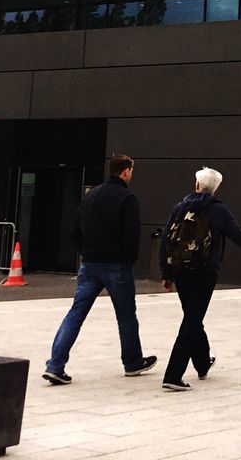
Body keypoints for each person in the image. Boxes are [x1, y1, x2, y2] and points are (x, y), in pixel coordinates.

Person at [42, 154, 157, 385]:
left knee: (76, 313)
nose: (131, 175)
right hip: (116, 265)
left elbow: (75, 230)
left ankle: (55, 365)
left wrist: (87, 252)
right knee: (125, 316)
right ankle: (132, 362)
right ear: (125, 172)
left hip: (89, 264)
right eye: (131, 170)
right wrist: (127, 260)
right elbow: (131, 236)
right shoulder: (127, 198)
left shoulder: (91, 195)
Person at [159, 166, 241, 391]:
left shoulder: (179, 207)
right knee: (191, 321)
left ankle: (202, 363)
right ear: (215, 190)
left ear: (196, 185)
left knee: (192, 316)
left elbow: (166, 241)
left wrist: (167, 274)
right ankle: (173, 375)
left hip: (180, 270)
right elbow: (237, 233)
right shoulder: (218, 210)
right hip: (204, 271)